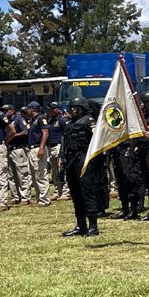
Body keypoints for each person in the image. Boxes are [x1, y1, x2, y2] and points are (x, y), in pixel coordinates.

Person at [59, 100, 103, 237]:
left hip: (84, 159)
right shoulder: (70, 123)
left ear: (81, 108)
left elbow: (97, 138)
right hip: (71, 161)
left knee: (87, 192)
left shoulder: (89, 121)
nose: (71, 110)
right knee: (76, 194)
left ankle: (93, 226)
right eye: (71, 108)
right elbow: (65, 142)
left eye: (74, 108)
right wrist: (62, 157)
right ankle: (80, 225)